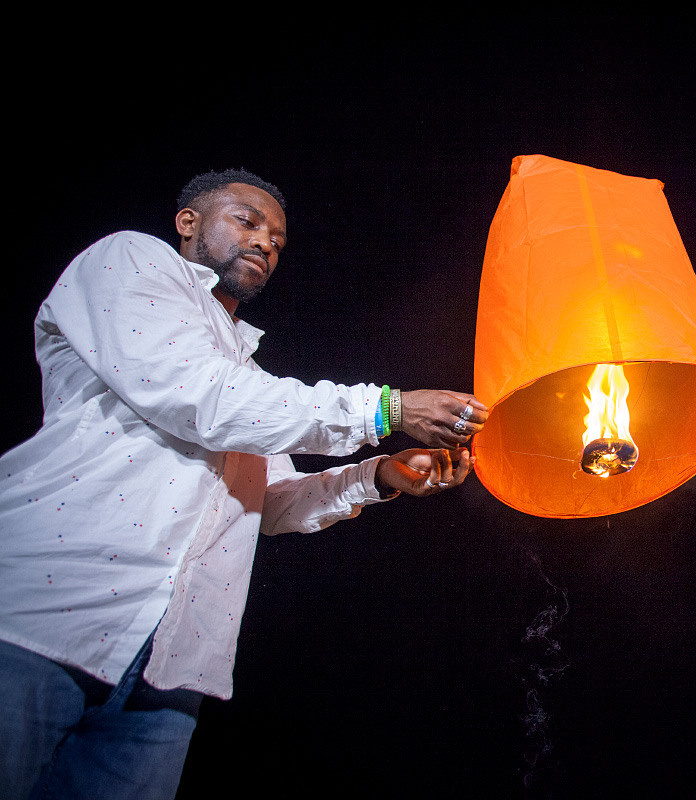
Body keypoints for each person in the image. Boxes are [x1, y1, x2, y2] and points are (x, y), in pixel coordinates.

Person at [0, 169, 489, 799]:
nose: (265, 243)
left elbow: (271, 501)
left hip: (170, 670)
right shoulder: (128, 261)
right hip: (46, 617)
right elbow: (198, 395)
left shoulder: (246, 373)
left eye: (278, 240)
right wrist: (385, 410)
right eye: (247, 221)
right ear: (189, 223)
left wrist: (380, 475)